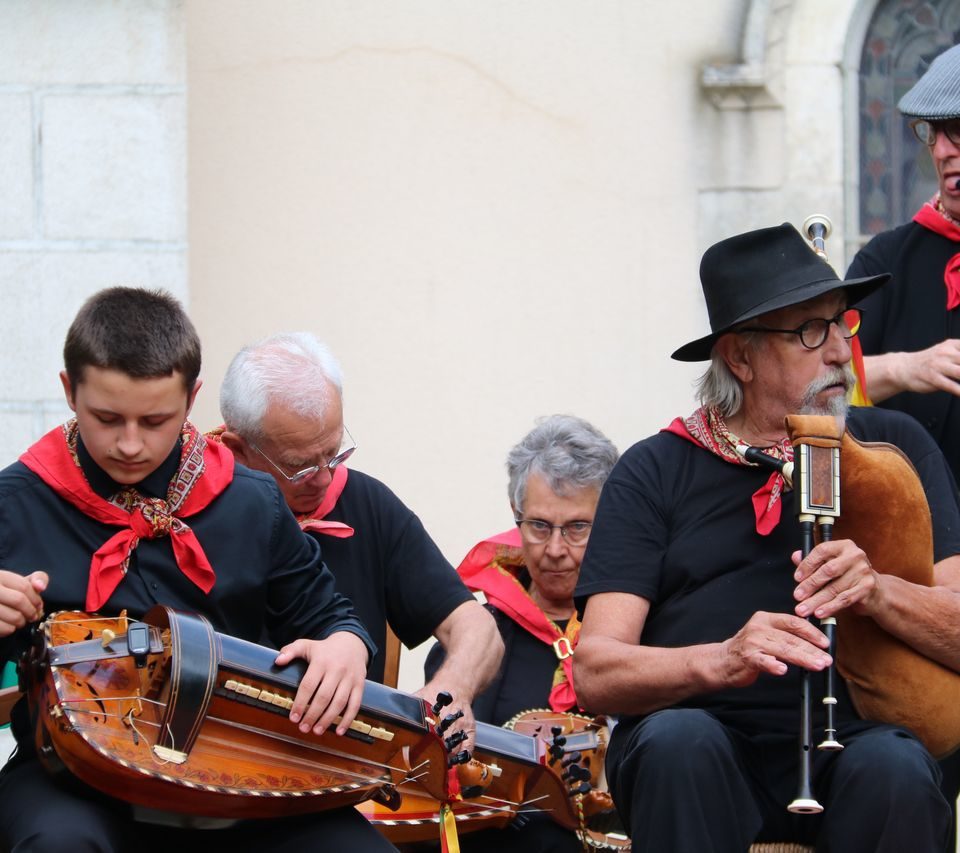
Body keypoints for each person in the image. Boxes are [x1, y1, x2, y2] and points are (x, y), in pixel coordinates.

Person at [573, 223, 960, 852]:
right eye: (810, 330)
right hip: (704, 744)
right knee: (679, 746)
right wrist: (722, 658)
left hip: (852, 747)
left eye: (843, 323)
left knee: (899, 770)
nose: (839, 350)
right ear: (740, 356)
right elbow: (596, 671)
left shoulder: (896, 449)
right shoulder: (654, 470)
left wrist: (881, 593)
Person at [0, 287, 395, 852]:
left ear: (192, 399)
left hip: (240, 777)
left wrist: (347, 646)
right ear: (69, 391)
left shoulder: (252, 501)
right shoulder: (15, 503)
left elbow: (332, 617)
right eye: (107, 418)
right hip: (74, 776)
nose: (131, 444)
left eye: (156, 420)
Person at [215, 332, 502, 753]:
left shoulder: (367, 504)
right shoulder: (195, 513)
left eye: (333, 454)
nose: (325, 478)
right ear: (237, 448)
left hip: (348, 769)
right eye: (299, 467)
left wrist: (449, 690)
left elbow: (477, 628)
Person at [425, 414, 618, 853]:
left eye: (577, 528)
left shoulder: (641, 623)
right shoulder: (479, 634)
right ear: (516, 517)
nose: (555, 549)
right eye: (539, 526)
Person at [849, 43, 960, 485]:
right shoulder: (884, 259)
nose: (946, 150)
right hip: (908, 527)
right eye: (936, 133)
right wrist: (905, 368)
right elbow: (813, 385)